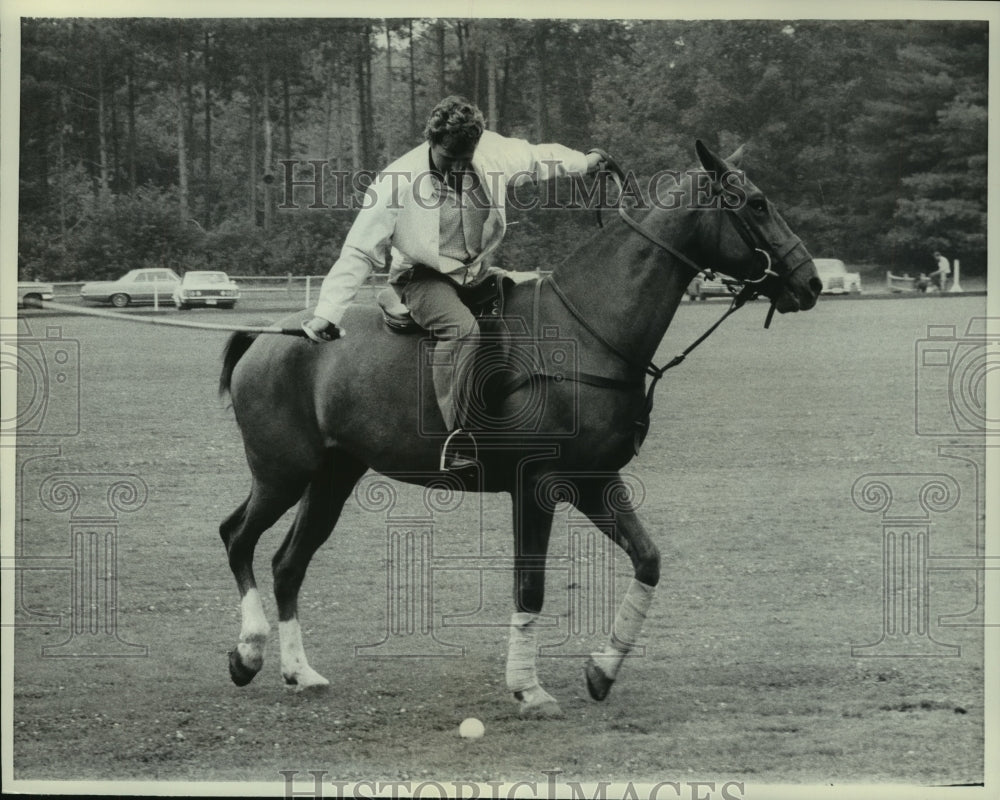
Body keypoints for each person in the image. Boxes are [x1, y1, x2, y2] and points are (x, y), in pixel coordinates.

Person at [301, 95, 605, 472]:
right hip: (421, 277)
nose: (458, 169)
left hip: (476, 273)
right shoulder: (396, 181)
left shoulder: (492, 152)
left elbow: (538, 158)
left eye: (466, 159)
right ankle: (458, 436)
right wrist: (326, 314)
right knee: (462, 330)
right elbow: (359, 252)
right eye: (449, 159)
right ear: (431, 141)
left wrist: (585, 162)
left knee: (534, 300)